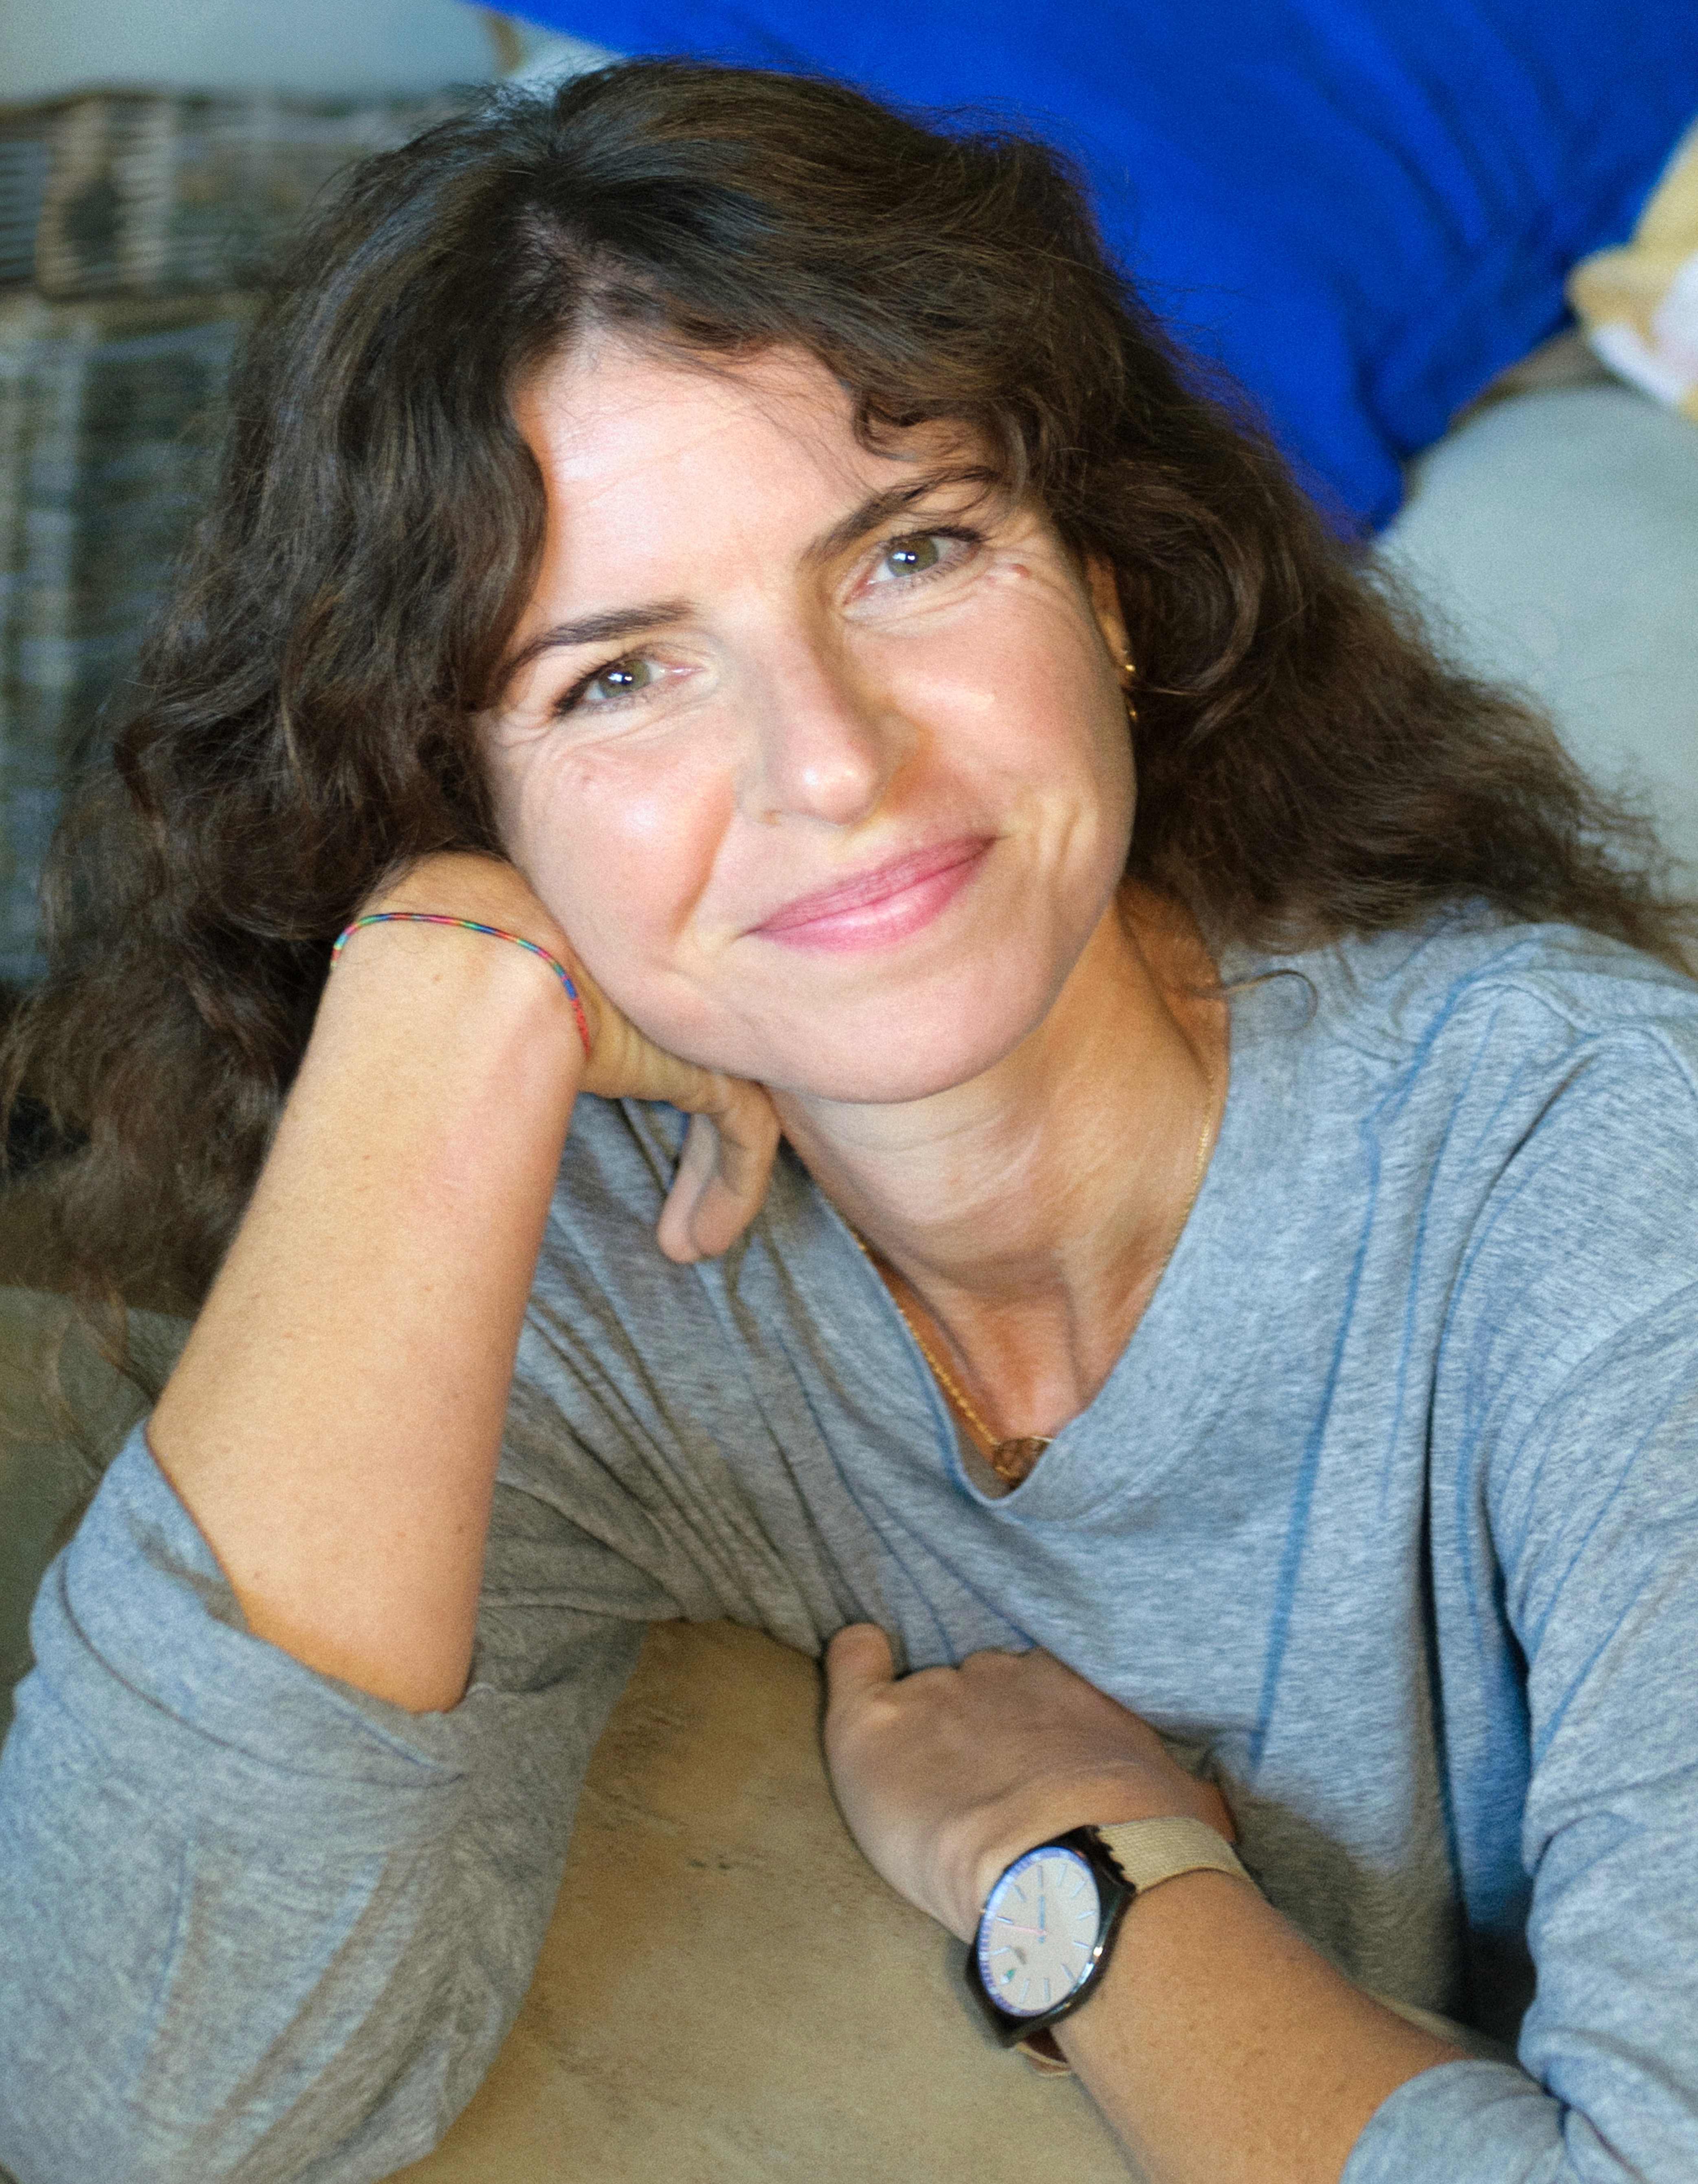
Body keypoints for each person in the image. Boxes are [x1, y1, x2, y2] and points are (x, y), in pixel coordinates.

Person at [2, 57, 1697, 2184]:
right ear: (471, 801)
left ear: (1101, 579)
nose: (828, 760)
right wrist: (439, 993)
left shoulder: (1606, 1165)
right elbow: (145, 2116)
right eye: (611, 676)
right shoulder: (569, 1270)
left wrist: (1093, 1889)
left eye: (909, 551)